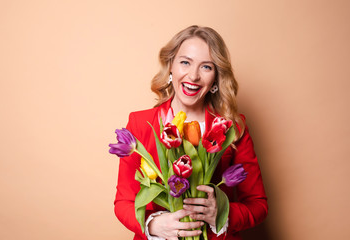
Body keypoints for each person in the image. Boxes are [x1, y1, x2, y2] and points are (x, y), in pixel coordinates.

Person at [113, 25, 268, 240]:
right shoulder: (140, 124)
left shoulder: (233, 128)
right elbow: (123, 203)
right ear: (170, 67)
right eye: (185, 62)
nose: (193, 76)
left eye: (206, 67)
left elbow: (258, 205)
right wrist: (155, 225)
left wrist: (222, 213)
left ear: (215, 77)